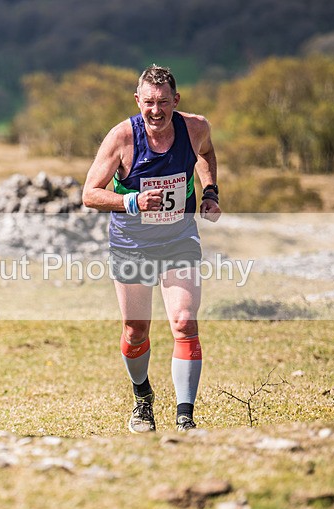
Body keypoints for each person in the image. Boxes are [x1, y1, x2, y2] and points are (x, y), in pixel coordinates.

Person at [82, 64, 221, 433]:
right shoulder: (122, 137)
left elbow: (206, 153)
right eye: (148, 103)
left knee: (184, 322)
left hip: (179, 239)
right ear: (137, 101)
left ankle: (185, 417)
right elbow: (89, 194)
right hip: (132, 243)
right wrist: (133, 202)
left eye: (163, 102)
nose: (156, 111)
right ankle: (142, 398)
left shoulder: (195, 128)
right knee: (135, 331)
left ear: (176, 100)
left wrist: (210, 193)